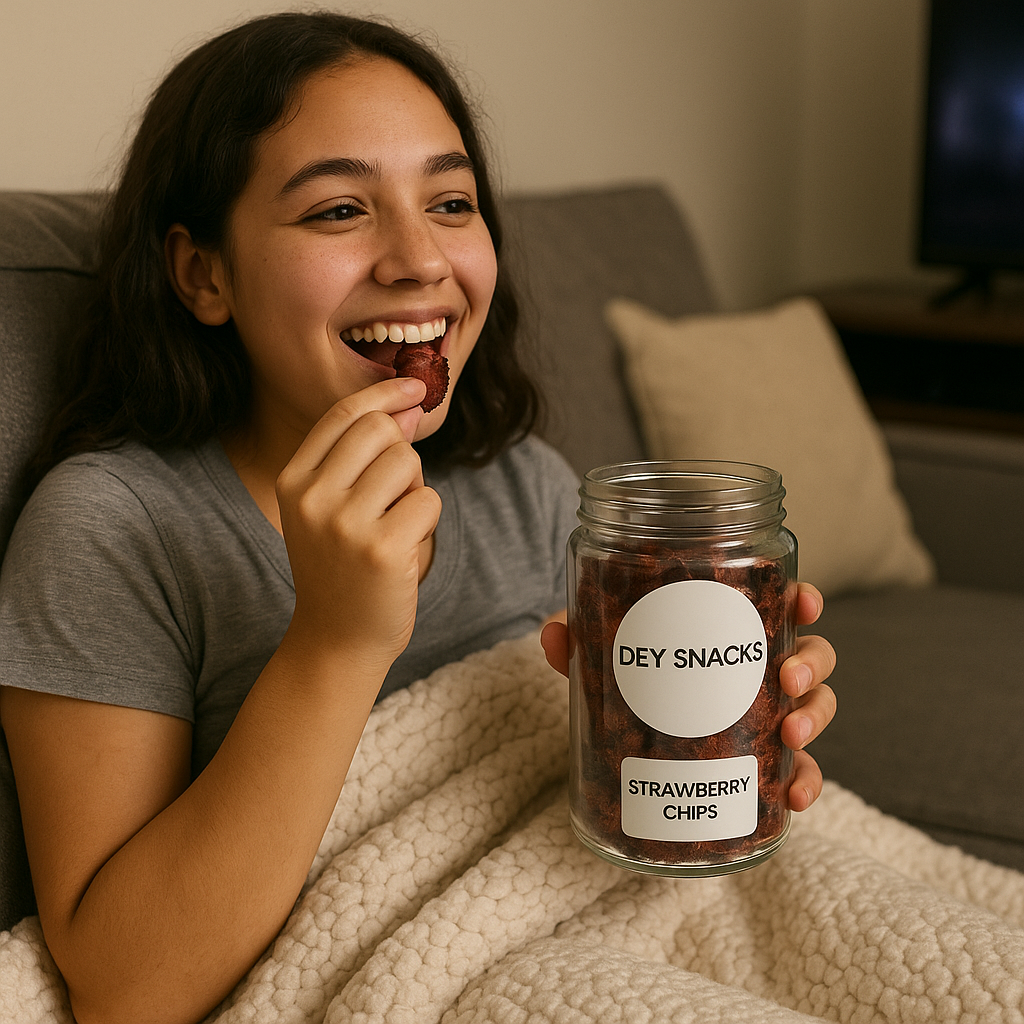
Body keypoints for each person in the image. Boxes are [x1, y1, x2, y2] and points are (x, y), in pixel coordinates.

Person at [0, 12, 837, 1024]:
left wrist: (718, 731)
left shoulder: (522, 482)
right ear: (202, 274)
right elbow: (126, 989)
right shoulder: (115, 525)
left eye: (449, 201)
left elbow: (581, 813)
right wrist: (336, 640)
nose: (417, 258)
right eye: (340, 209)